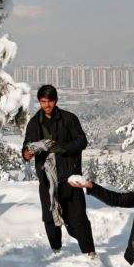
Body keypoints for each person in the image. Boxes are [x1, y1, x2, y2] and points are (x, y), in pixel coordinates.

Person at [22, 84, 96, 256]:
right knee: (49, 217)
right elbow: (26, 151)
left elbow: (81, 141)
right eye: (43, 101)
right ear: (39, 102)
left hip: (70, 176)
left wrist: (62, 148)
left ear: (56, 101)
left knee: (78, 217)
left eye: (49, 101)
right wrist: (29, 151)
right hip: (47, 179)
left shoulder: (69, 119)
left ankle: (89, 251)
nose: (46, 105)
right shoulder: (34, 123)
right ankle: (56, 249)